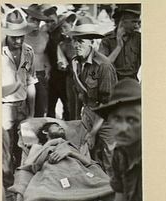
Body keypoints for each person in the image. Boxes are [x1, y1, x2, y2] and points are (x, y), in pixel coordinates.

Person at [10, 121, 113, 201]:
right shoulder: (38, 147)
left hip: (77, 174)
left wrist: (69, 152)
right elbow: (31, 164)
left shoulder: (70, 145)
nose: (61, 128)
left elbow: (88, 163)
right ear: (45, 132)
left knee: (109, 189)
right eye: (56, 126)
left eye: (61, 127)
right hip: (52, 176)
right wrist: (49, 148)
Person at [68, 15, 118, 176]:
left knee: (109, 160)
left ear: (92, 42)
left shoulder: (103, 66)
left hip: (106, 119)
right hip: (89, 114)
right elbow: (79, 95)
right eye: (75, 40)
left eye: (81, 41)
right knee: (89, 159)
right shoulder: (76, 63)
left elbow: (108, 104)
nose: (76, 45)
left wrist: (93, 132)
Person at [93, 78, 142, 201]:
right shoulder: (119, 154)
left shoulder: (157, 156)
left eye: (132, 119)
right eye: (116, 119)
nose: (122, 128)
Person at [1, 7, 38, 191]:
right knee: (6, 152)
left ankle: (21, 185)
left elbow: (31, 82)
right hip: (4, 107)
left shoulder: (29, 51)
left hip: (23, 106)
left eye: (21, 36)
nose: (18, 40)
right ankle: (8, 187)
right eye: (14, 36)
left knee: (23, 148)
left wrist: (31, 113)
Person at [23, 4, 51, 117]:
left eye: (38, 21)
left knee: (41, 108)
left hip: (40, 74)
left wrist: (48, 65)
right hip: (24, 75)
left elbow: (44, 53)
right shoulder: (20, 36)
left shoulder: (45, 36)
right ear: (26, 19)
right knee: (24, 110)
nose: (35, 23)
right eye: (32, 19)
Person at [99, 4, 141, 81]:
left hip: (132, 83)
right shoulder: (107, 40)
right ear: (122, 21)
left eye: (139, 23)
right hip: (112, 83)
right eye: (134, 22)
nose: (137, 26)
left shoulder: (139, 38)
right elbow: (103, 66)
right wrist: (118, 47)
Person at [42, 6, 70, 120]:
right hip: (52, 75)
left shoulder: (63, 35)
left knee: (67, 106)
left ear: (57, 19)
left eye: (52, 21)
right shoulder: (44, 35)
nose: (50, 24)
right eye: (47, 22)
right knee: (50, 107)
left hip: (65, 76)